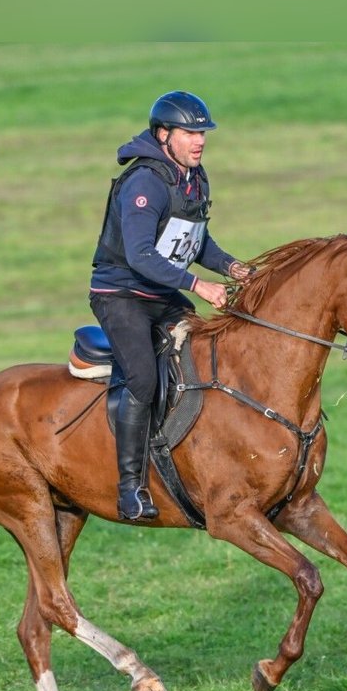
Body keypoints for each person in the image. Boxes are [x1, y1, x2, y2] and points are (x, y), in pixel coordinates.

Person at [90, 90, 253, 521]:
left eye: (203, 133)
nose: (199, 141)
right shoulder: (145, 181)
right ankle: (131, 489)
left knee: (204, 355)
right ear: (164, 135)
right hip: (121, 296)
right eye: (189, 133)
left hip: (160, 294)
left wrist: (232, 267)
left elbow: (196, 241)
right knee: (143, 382)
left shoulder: (194, 177)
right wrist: (200, 286)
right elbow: (142, 256)